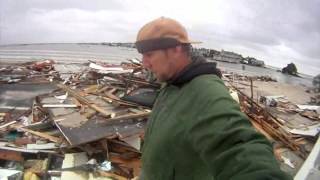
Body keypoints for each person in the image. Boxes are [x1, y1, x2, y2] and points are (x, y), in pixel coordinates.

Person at [135, 17, 291, 180]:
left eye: (149, 54)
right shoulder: (170, 82)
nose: (145, 63)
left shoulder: (207, 91)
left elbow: (239, 147)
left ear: (176, 49)